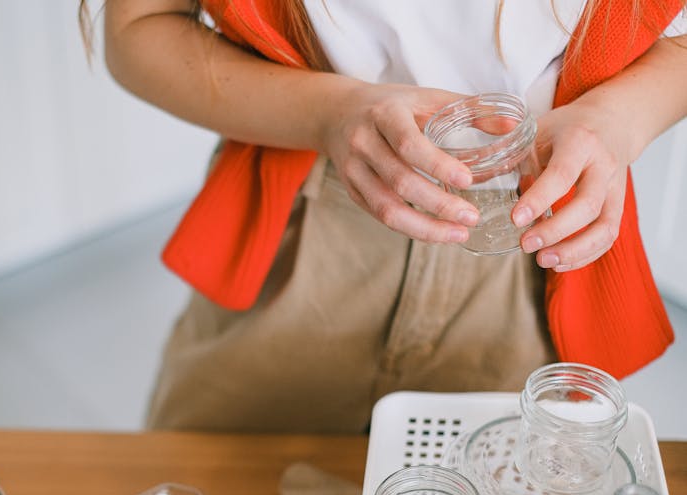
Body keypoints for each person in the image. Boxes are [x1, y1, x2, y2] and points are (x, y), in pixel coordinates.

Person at [85, 0, 687, 433]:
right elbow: (138, 26)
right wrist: (330, 113)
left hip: (532, 254)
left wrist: (620, 118)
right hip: (309, 222)